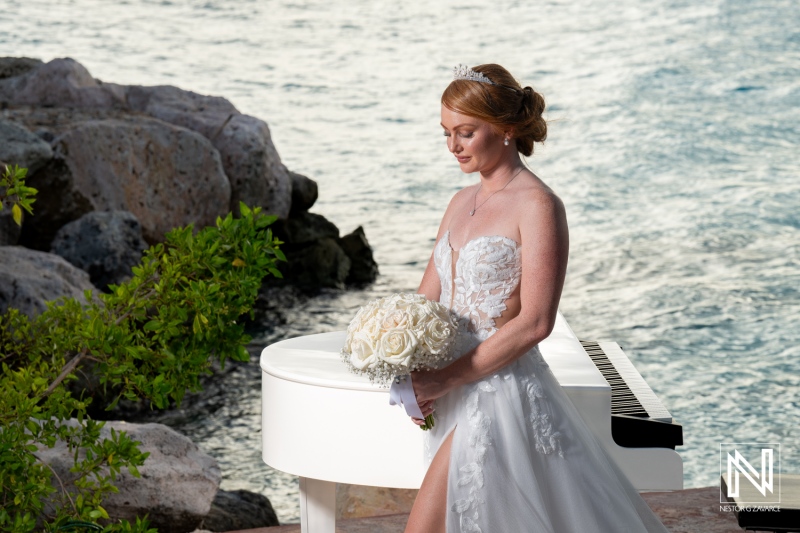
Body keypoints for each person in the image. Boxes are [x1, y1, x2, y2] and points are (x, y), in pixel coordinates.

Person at [405, 64, 671, 533]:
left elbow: (535, 322)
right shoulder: (457, 203)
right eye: (446, 133)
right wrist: (398, 355)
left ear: (507, 128)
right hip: (450, 392)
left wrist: (446, 378)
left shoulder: (538, 205)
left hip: (497, 395)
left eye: (465, 132)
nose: (453, 146)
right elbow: (427, 302)